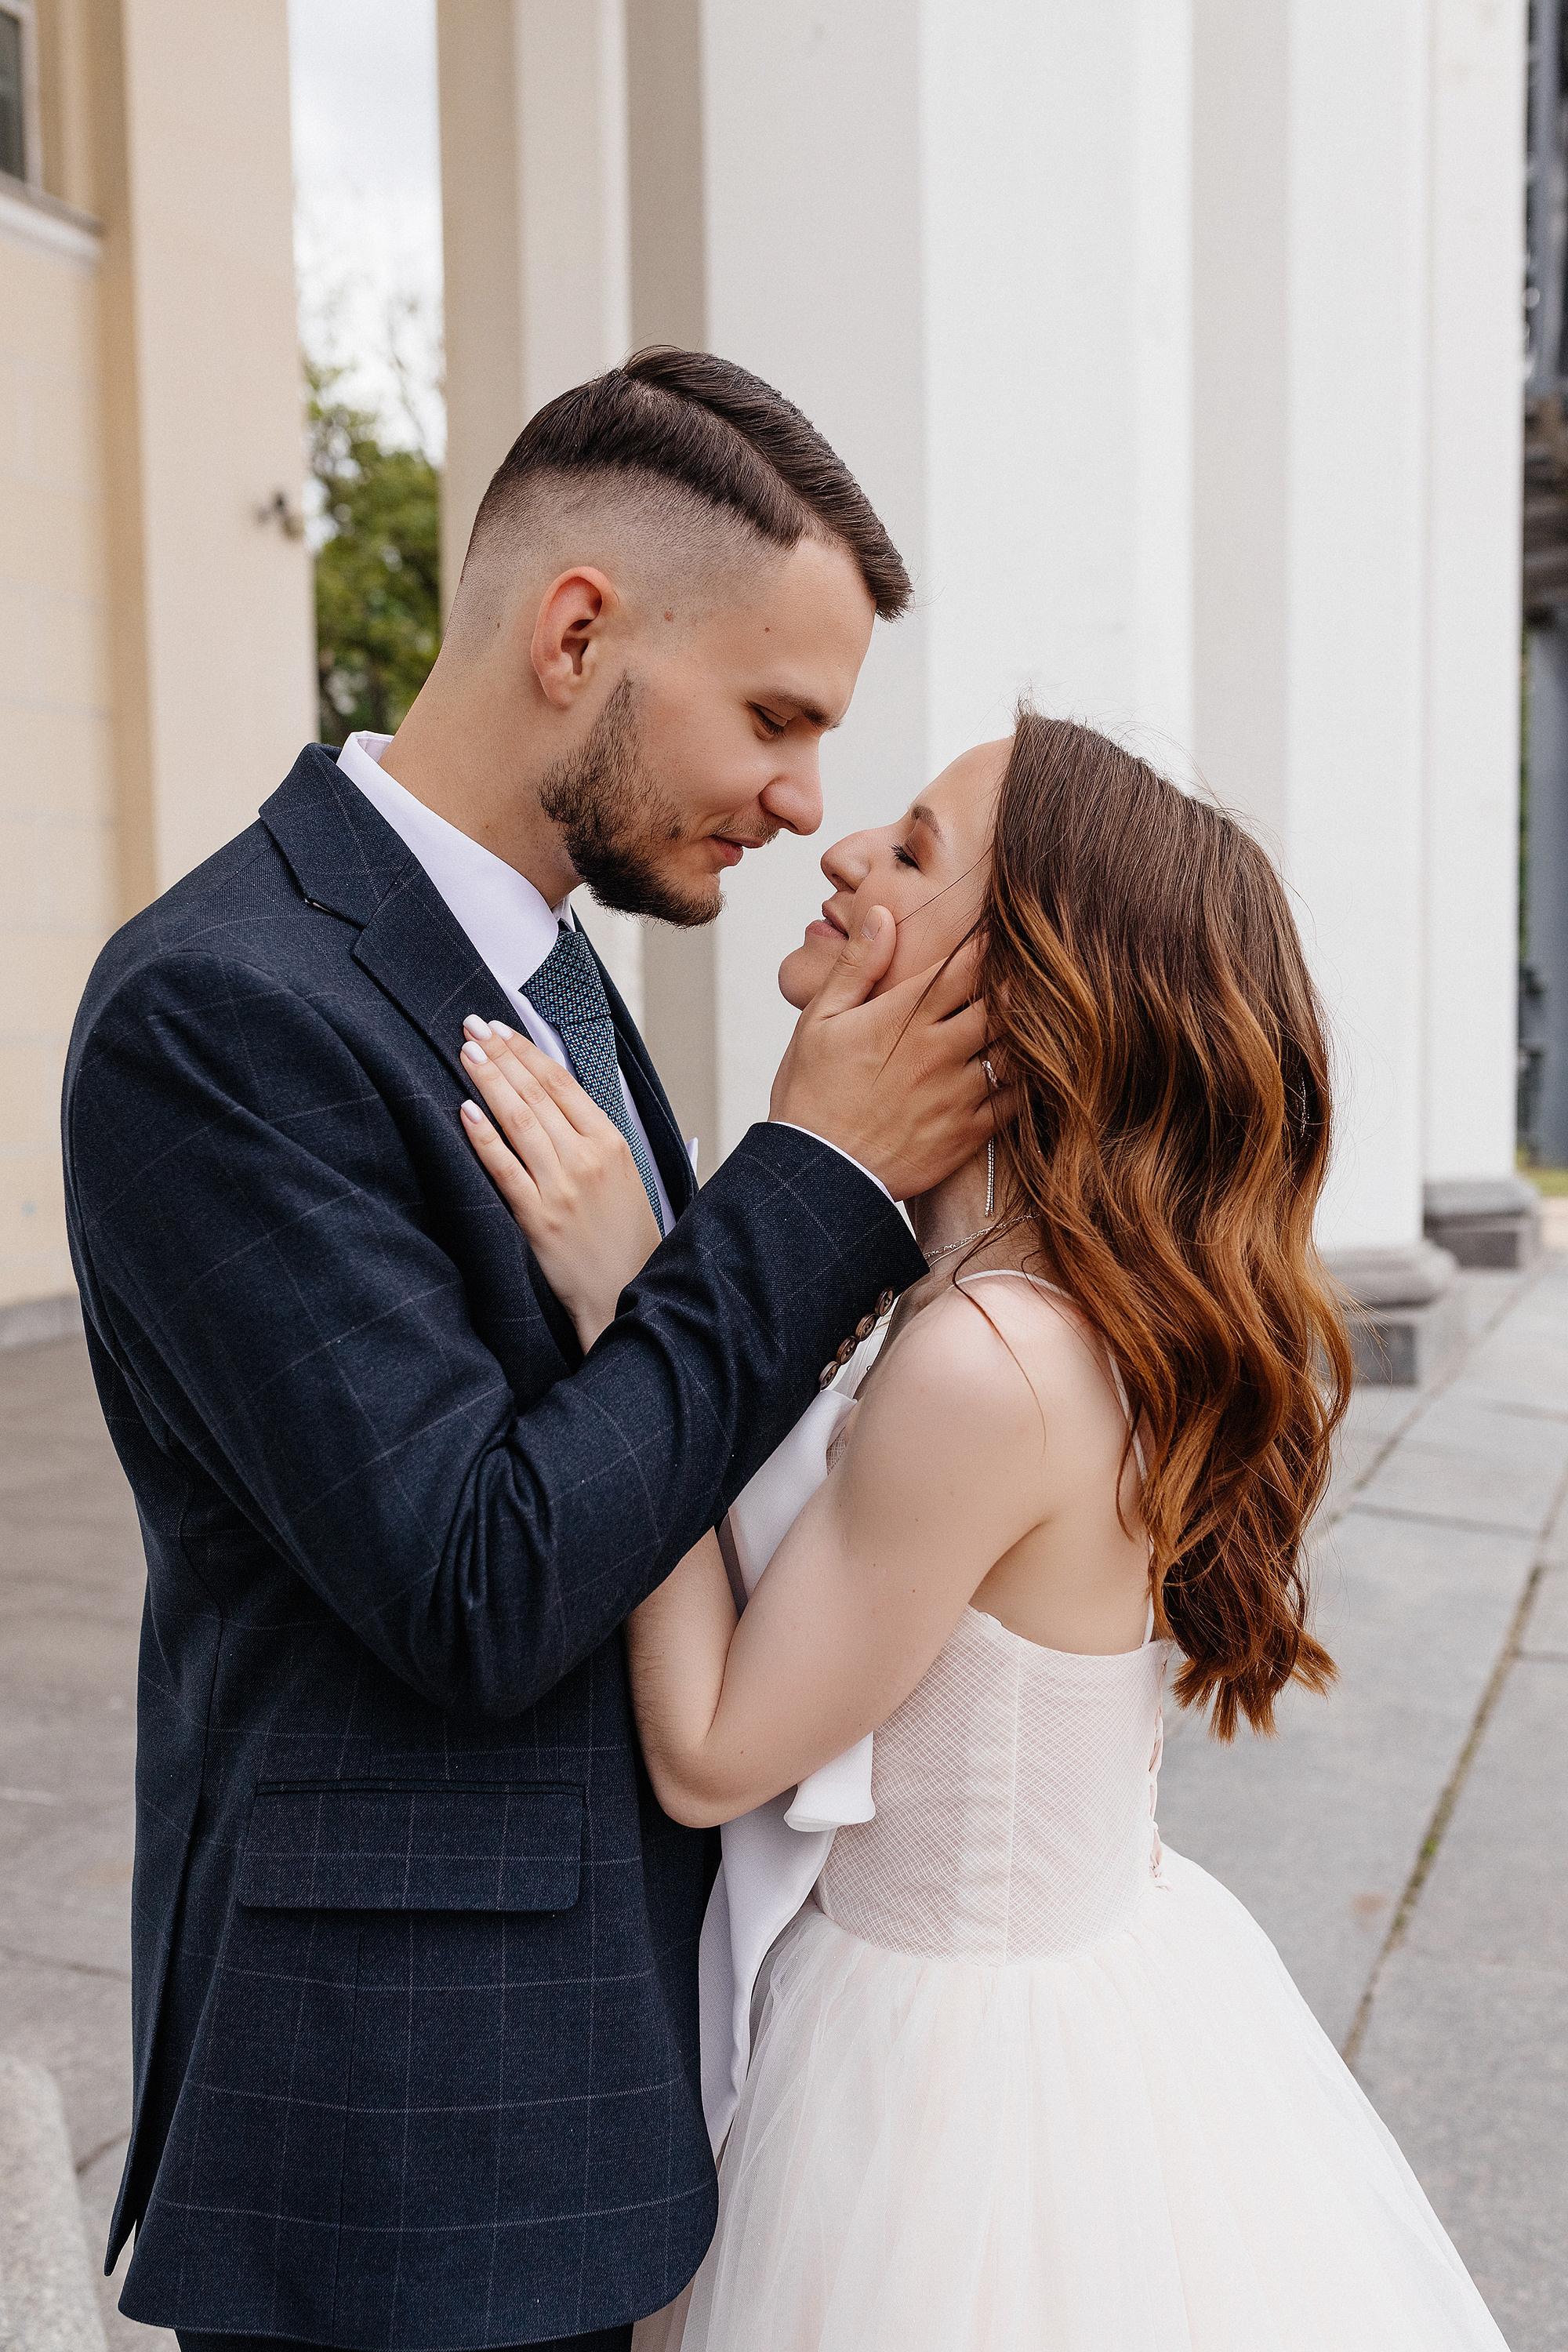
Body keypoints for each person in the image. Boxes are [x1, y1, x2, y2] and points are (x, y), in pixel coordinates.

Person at [60, 350, 1004, 2352]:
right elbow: (477, 1580)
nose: (804, 800)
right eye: (772, 715)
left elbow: (643, 1412)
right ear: (581, 632)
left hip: (603, 2083)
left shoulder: (558, 959)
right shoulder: (217, 1010)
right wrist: (814, 1182)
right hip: (404, 2141)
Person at [466, 712, 1512, 2350]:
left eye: (910, 850)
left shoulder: (988, 1361)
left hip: (938, 2077)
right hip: (1048, 1993)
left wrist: (628, 1315)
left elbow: (715, 1751)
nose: (841, 852)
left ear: (1019, 992)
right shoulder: (1007, 1308)